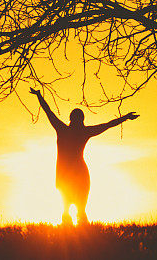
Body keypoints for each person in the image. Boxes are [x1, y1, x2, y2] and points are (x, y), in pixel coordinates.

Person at [30, 88, 139, 225]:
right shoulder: (80, 131)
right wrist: (125, 117)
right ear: (80, 120)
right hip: (74, 173)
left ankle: (75, 232)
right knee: (74, 207)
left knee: (70, 207)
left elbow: (48, 111)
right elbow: (107, 125)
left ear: (71, 119)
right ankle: (78, 231)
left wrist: (39, 95)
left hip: (69, 173)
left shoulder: (64, 129)